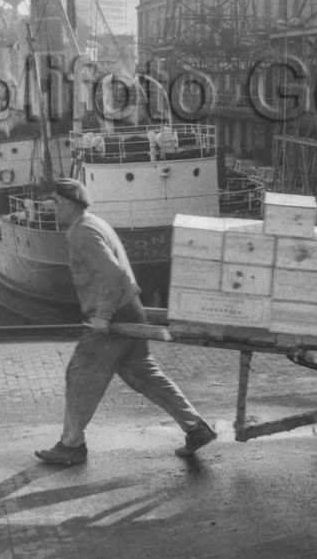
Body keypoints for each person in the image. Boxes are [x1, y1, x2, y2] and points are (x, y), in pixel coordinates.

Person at [35, 178, 216, 466]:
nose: (51, 208)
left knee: (80, 375)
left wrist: (103, 316)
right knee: (142, 374)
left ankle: (71, 446)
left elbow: (114, 275)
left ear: (69, 205)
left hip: (114, 315)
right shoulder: (92, 223)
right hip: (130, 309)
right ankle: (196, 427)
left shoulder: (84, 233)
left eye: (55, 203)